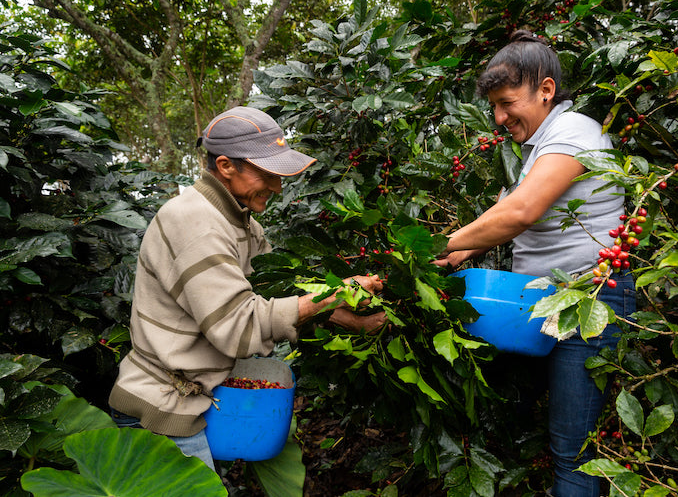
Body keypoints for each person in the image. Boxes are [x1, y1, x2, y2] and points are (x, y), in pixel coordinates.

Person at [108, 106, 386, 470]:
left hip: (199, 398)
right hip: (159, 406)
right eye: (267, 173)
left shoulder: (241, 223)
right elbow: (238, 327)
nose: (277, 186)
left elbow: (271, 297)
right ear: (226, 166)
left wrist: (356, 322)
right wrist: (335, 293)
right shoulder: (195, 222)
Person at [434, 31, 635, 496]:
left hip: (589, 302)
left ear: (546, 90)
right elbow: (492, 224)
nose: (500, 118)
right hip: (540, 303)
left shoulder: (575, 133)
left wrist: (437, 245)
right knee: (514, 420)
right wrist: (428, 261)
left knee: (570, 449)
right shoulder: (534, 149)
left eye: (507, 104)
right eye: (495, 108)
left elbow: (519, 213)